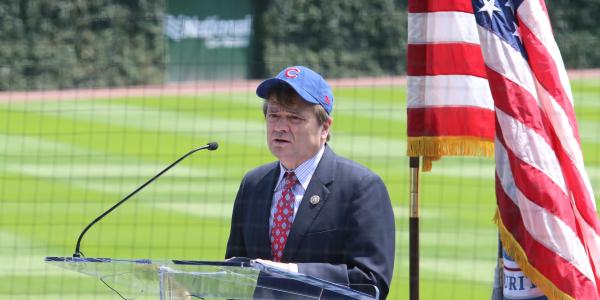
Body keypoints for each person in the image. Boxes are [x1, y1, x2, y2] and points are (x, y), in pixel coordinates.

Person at [225, 66, 395, 298]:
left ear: (324, 127)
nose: (280, 127)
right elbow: (233, 272)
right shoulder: (253, 184)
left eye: (294, 117)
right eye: (274, 115)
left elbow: (371, 282)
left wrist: (294, 273)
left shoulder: (360, 187)